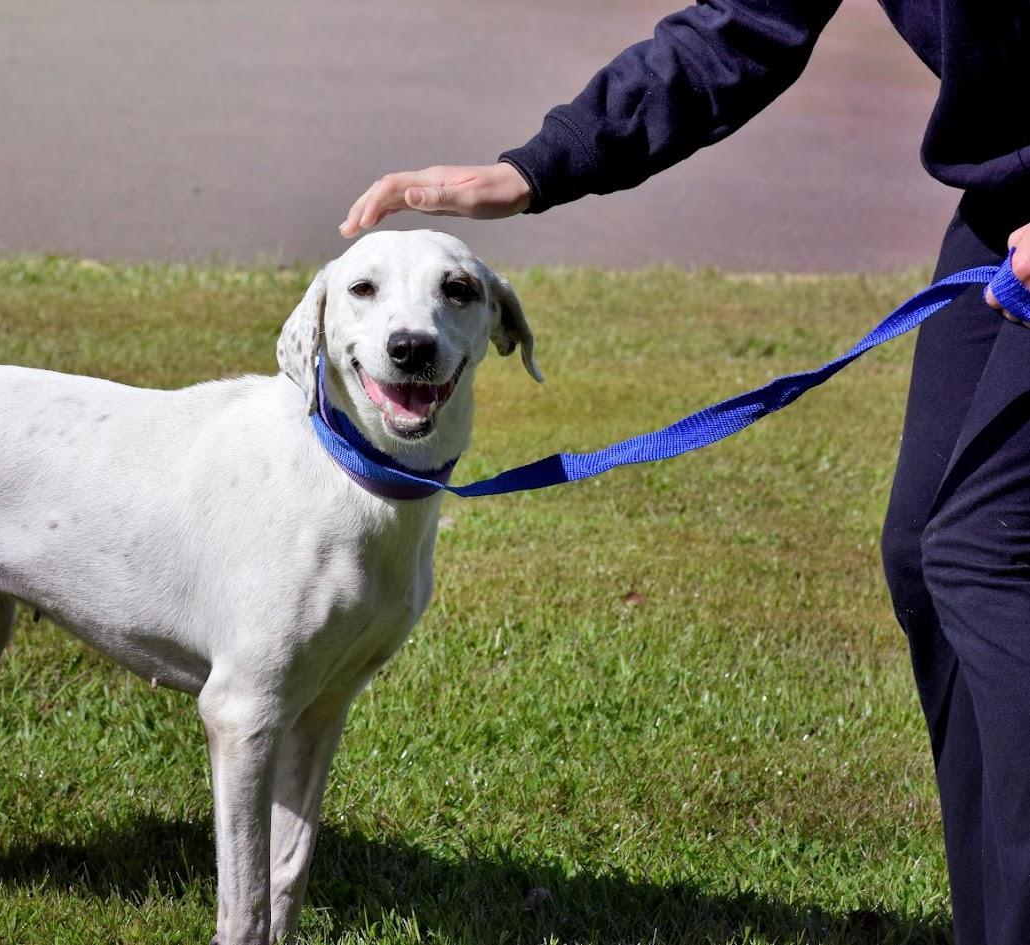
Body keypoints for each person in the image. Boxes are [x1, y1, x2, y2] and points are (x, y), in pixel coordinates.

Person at [338, 3, 1030, 943]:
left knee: (985, 560)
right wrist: (534, 169)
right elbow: (742, 29)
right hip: (1008, 209)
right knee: (924, 556)